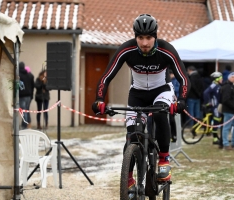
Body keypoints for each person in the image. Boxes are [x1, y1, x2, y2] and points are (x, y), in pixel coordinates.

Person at [91, 14, 191, 198]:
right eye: (140, 38)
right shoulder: (127, 50)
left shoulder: (167, 50)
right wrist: (99, 99)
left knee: (161, 113)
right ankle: (128, 179)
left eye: (149, 38)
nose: (144, 43)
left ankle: (163, 159)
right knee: (132, 136)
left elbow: (183, 77)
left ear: (155, 36)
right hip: (137, 94)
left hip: (161, 90)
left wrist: (182, 101)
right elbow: (106, 77)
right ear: (135, 37)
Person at [220, 72, 234, 150]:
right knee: (227, 127)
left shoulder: (233, 86)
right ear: (228, 78)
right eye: (232, 77)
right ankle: (225, 144)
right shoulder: (227, 87)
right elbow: (225, 100)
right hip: (228, 110)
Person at [203, 72, 223, 145]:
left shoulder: (218, 85)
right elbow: (205, 93)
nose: (222, 80)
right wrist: (208, 103)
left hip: (218, 105)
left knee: (217, 121)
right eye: (221, 78)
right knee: (216, 121)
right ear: (217, 79)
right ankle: (214, 139)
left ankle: (216, 136)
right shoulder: (213, 85)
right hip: (215, 106)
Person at [19, 62, 34, 129]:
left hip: (22, 95)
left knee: (23, 110)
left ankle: (24, 125)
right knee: (26, 110)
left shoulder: (19, 75)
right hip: (28, 95)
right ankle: (26, 124)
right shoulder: (30, 75)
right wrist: (31, 95)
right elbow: (32, 86)